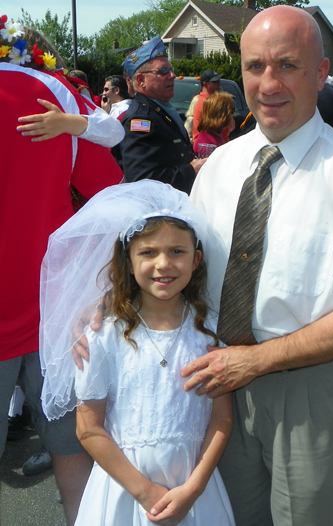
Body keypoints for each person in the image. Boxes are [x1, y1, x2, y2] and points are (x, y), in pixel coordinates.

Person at [179, 6, 333, 526]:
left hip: (307, 393)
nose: (268, 83)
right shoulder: (219, 167)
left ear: (320, 72)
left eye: (287, 65)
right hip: (218, 384)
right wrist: (110, 319)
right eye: (255, 66)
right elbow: (179, 274)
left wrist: (257, 361)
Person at [39, 180, 235, 526]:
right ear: (128, 262)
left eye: (177, 251)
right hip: (123, 490)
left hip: (193, 488)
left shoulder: (211, 331)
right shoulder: (103, 335)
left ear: (196, 259)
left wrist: (194, 488)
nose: (164, 264)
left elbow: (221, 419)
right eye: (148, 252)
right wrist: (146, 492)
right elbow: (89, 429)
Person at [0, 17, 123, 526]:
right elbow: (114, 197)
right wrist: (96, 283)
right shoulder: (53, 91)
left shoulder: (52, 90)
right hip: (57, 306)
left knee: (72, 447)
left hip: (52, 314)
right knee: (72, 453)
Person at [119, 37, 205, 193]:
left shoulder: (160, 109)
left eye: (171, 70)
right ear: (141, 80)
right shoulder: (141, 119)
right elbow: (142, 180)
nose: (172, 75)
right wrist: (191, 169)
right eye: (163, 71)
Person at [193, 92, 235, 157]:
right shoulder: (206, 142)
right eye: (231, 112)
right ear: (221, 115)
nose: (232, 115)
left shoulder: (216, 136)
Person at [192, 69, 223, 143]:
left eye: (218, 81)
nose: (219, 83)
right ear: (205, 84)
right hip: (207, 146)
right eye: (215, 82)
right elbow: (227, 128)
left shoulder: (206, 100)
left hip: (208, 144)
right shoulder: (207, 102)